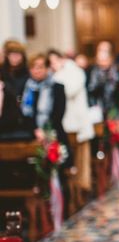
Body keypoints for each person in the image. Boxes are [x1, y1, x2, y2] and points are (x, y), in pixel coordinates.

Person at [48, 49, 95, 191]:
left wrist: (56, 76)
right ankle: (70, 190)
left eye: (55, 61)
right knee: (68, 158)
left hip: (77, 122)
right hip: (64, 123)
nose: (52, 65)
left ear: (62, 59)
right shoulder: (56, 75)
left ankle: (81, 188)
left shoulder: (74, 72)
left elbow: (68, 90)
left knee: (80, 160)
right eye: (50, 63)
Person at [87, 46, 119, 118]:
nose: (102, 63)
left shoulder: (117, 71)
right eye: (100, 60)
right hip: (98, 107)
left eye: (105, 60)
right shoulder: (93, 72)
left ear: (110, 60)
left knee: (113, 126)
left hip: (114, 106)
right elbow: (91, 90)